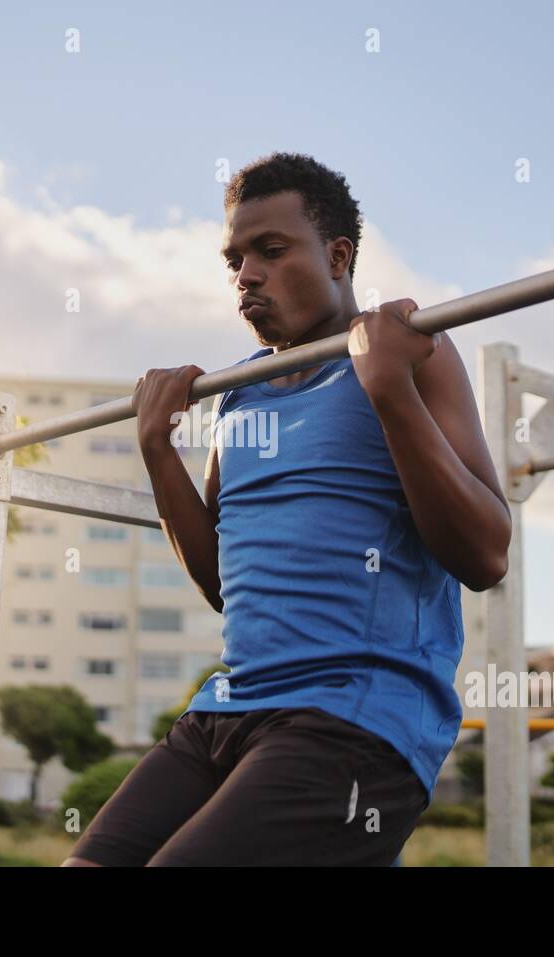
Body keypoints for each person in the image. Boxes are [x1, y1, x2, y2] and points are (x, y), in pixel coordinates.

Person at [62, 153, 511, 866]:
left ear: (338, 256)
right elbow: (221, 584)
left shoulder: (411, 350)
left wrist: (388, 388)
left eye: (270, 251)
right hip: (226, 709)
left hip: (356, 720)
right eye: (235, 259)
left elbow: (486, 555)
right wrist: (155, 448)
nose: (246, 275)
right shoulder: (240, 392)